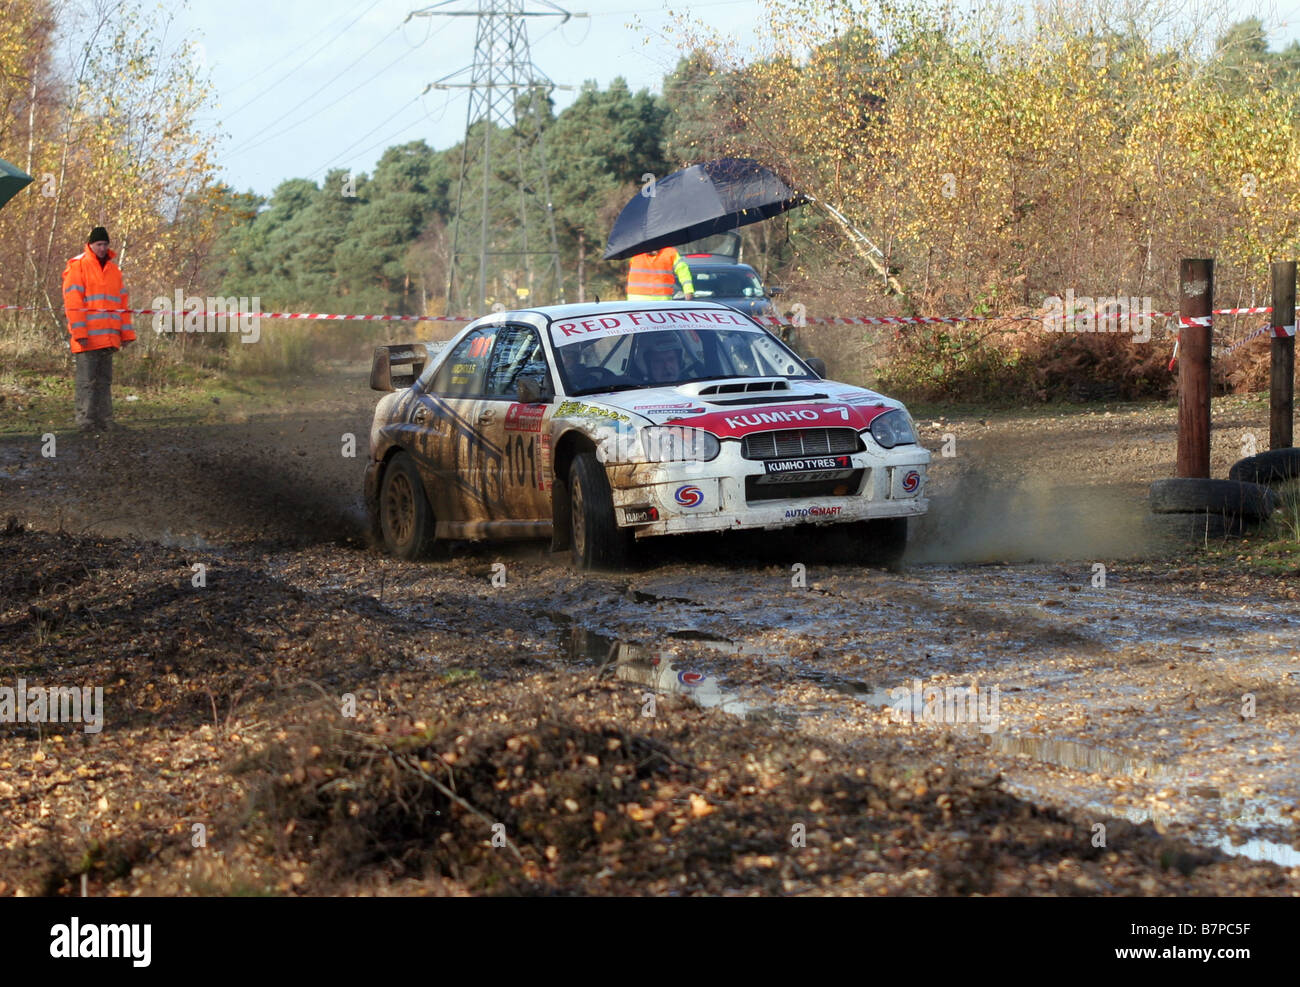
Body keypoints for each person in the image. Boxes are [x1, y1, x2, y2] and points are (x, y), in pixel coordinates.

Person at [62, 226, 134, 431]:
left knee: (104, 382)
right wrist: (80, 333)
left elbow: (122, 305)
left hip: (109, 337)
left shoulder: (114, 271)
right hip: (87, 338)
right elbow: (73, 303)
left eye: (105, 244)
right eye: (99, 244)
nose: (102, 248)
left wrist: (126, 334)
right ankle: (85, 421)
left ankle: (105, 420)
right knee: (87, 382)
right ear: (91, 245)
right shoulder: (78, 267)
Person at [626, 246, 695, 302]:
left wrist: (688, 290)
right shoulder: (635, 252)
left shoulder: (670, 253)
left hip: (661, 303)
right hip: (637, 303)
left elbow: (682, 270)